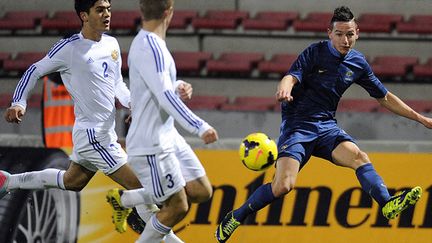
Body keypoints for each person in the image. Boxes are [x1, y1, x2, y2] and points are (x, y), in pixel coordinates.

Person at [215, 6, 432, 242]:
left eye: (350, 34)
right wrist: (284, 88)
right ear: (329, 33)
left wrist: (420, 119)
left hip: (326, 127)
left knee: (359, 157)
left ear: (357, 32)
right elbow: (292, 76)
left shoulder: (358, 63)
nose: (345, 40)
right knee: (283, 186)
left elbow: (385, 97)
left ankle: (387, 203)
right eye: (339, 34)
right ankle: (236, 216)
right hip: (297, 127)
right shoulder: (315, 52)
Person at [1, 0, 163, 236]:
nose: (106, 14)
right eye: (99, 10)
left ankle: (9, 182)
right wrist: (19, 102)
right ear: (84, 16)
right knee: (143, 187)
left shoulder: (111, 44)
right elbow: (34, 70)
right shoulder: (69, 48)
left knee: (72, 181)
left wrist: (133, 105)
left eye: (108, 9)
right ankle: (126, 204)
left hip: (103, 133)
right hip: (94, 136)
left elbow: (117, 84)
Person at [105, 0, 219, 242]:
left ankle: (126, 200)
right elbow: (164, 97)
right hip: (152, 144)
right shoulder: (151, 48)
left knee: (201, 191)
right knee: (177, 206)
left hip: (168, 136)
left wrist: (178, 87)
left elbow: (156, 88)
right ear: (169, 12)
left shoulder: (151, 45)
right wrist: (201, 126)